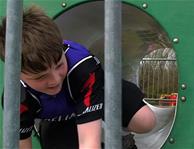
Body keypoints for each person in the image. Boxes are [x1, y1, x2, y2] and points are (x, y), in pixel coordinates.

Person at [0, 5, 156, 149]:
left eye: (59, 65)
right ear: (16, 74)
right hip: (60, 117)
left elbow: (89, 143)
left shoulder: (83, 67)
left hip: (100, 92)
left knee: (146, 121)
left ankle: (112, 130)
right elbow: (21, 144)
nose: (55, 80)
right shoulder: (16, 96)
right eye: (41, 77)